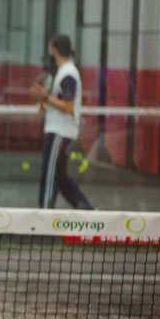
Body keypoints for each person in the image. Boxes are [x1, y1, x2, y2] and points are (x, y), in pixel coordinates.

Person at [30, 34, 93, 210]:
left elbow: (68, 106)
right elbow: (55, 102)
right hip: (56, 129)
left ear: (54, 50)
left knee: (49, 175)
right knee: (61, 178)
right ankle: (86, 210)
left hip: (61, 131)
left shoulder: (68, 74)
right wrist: (43, 101)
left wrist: (45, 97)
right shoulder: (60, 73)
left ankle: (45, 214)